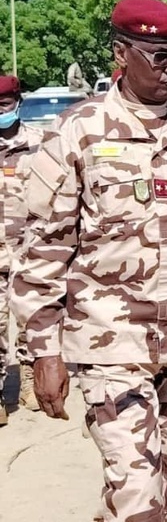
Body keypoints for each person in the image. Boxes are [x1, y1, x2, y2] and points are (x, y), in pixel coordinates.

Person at [9, 0, 167, 522]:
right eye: (159, 56)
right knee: (137, 499)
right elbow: (44, 250)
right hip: (109, 345)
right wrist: (43, 352)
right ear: (121, 54)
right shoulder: (78, 131)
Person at [0, 75, 43, 423]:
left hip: (30, 251)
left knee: (31, 323)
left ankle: (29, 383)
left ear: (17, 103)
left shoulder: (39, 144)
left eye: (3, 106)